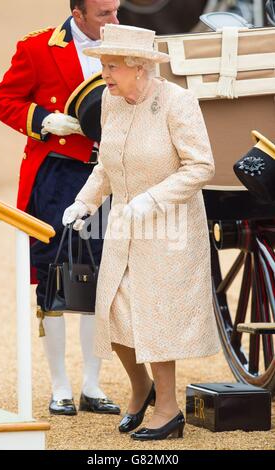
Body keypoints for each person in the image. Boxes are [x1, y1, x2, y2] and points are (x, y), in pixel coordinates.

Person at [63, 23, 220, 440]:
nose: (104, 75)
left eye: (111, 66)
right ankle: (141, 387)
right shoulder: (112, 103)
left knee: (155, 318)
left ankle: (168, 412)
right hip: (124, 226)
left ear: (139, 67)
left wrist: (150, 200)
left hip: (169, 227)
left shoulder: (177, 102)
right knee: (112, 312)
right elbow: (106, 166)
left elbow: (201, 166)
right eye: (103, 66)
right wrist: (85, 202)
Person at [0, 0, 121, 416]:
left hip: (104, 176)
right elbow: (4, 99)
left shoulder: (125, 43)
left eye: (116, 10)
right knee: (54, 281)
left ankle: (92, 384)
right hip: (55, 176)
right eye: (104, 14)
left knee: (98, 280)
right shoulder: (36, 48)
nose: (114, 22)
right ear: (78, 13)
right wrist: (45, 120)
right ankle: (61, 386)